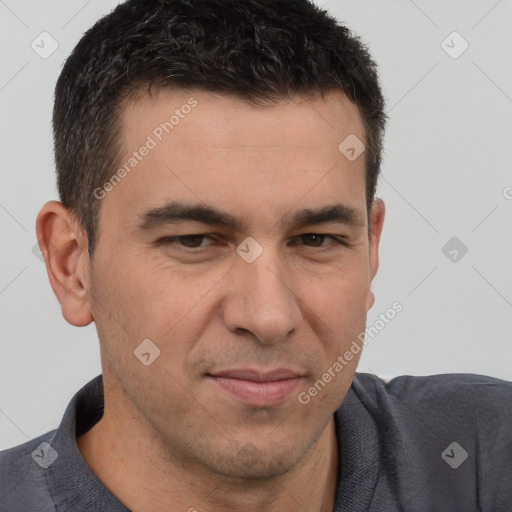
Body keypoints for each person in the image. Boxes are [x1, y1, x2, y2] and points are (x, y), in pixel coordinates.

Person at [1, 0, 511, 511]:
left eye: (316, 239)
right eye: (194, 240)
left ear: (371, 246)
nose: (269, 316)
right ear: (72, 266)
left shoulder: (488, 459)